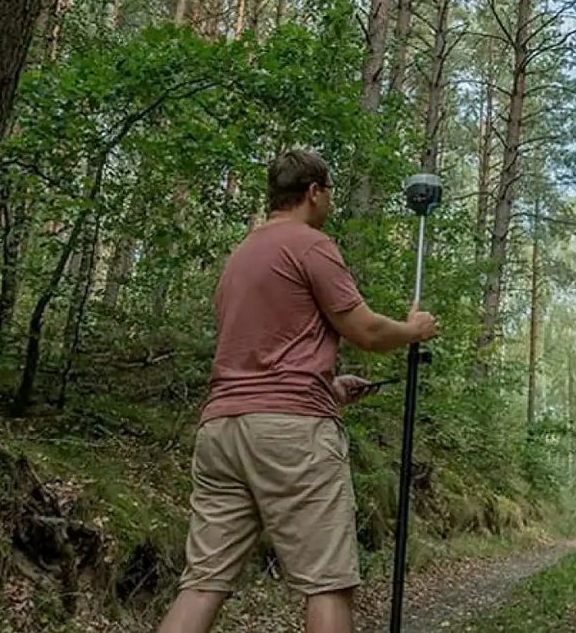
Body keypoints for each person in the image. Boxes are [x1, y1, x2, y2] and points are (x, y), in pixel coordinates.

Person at [157, 150, 439, 633]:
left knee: (203, 582)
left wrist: (325, 387)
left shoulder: (240, 257)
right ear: (314, 192)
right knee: (328, 583)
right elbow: (367, 332)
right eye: (328, 193)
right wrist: (413, 330)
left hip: (221, 432)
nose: (328, 202)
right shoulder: (310, 245)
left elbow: (257, 355)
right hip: (292, 437)